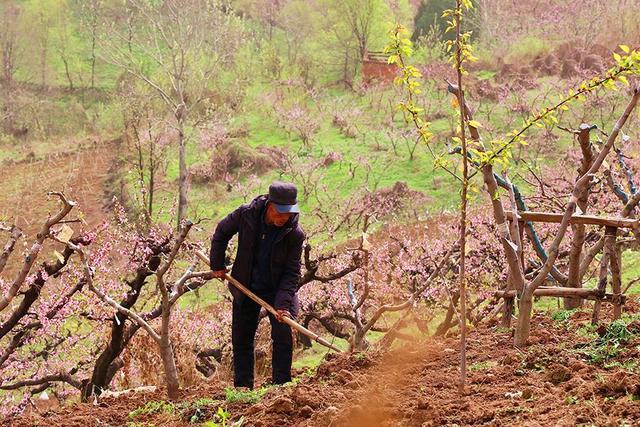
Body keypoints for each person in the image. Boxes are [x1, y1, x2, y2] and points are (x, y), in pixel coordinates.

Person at [209, 181, 305, 389]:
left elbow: (292, 273)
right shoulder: (247, 214)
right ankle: (243, 388)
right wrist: (217, 264)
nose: (284, 218)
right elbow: (222, 232)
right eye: (280, 213)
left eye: (288, 214)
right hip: (246, 283)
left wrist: (282, 305)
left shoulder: (295, 234)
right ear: (270, 205)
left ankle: (281, 387)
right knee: (242, 338)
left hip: (278, 289)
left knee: (283, 335)